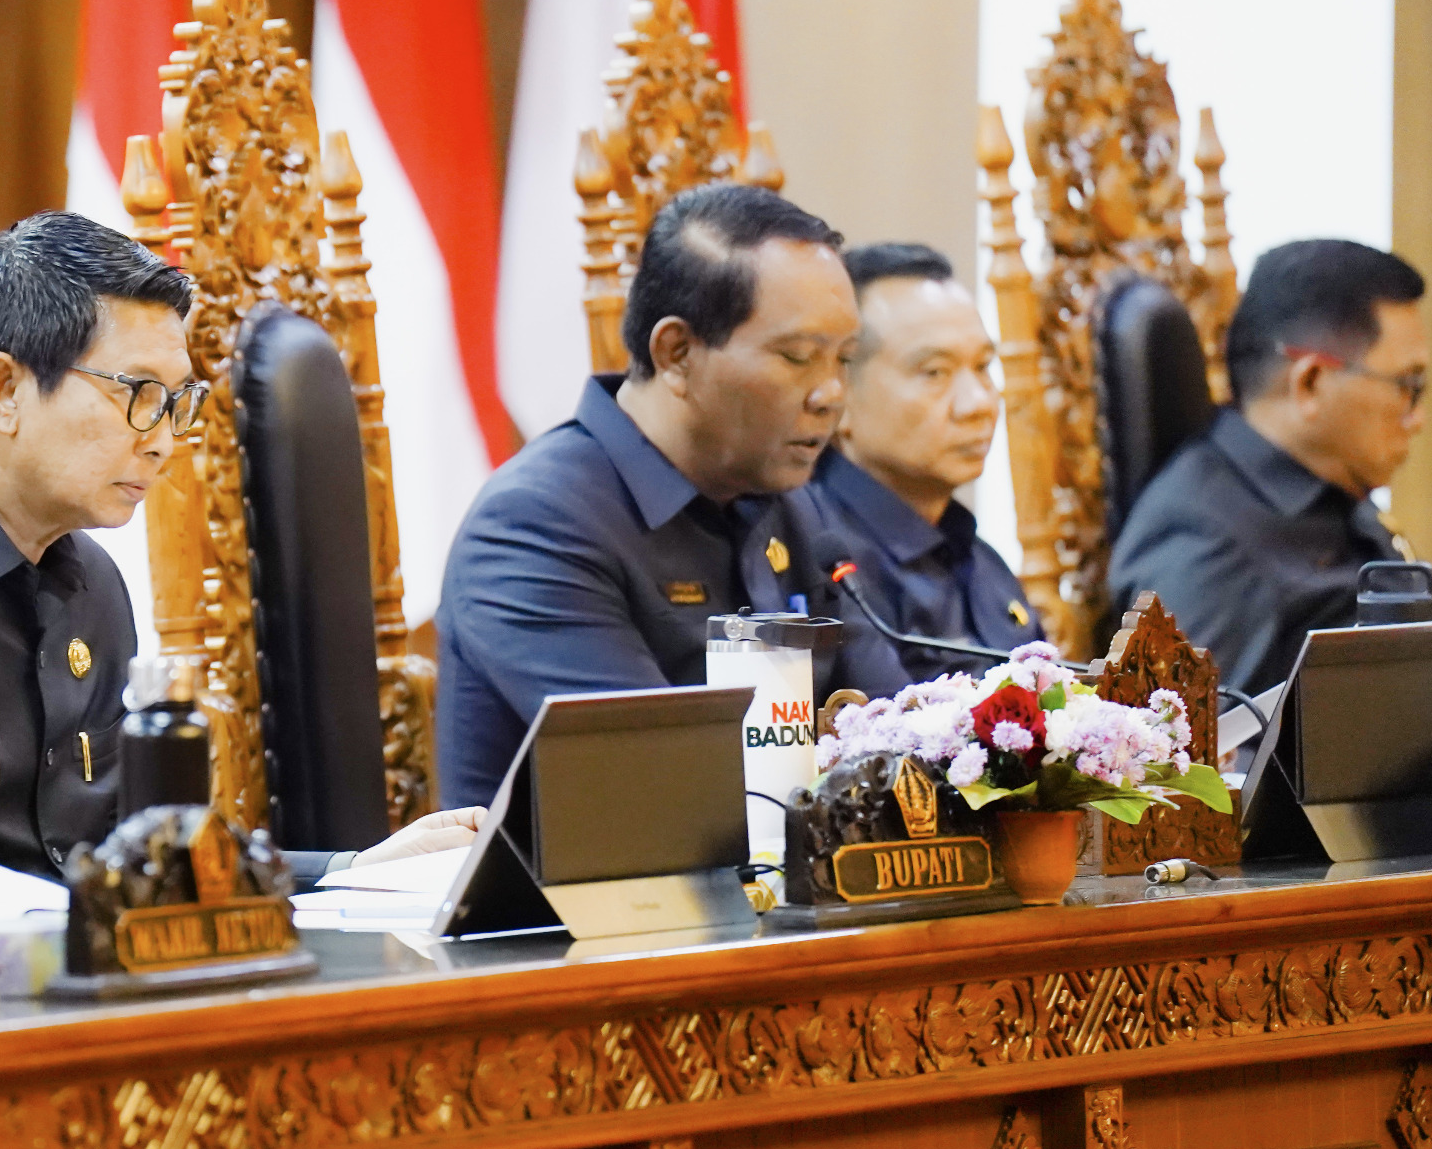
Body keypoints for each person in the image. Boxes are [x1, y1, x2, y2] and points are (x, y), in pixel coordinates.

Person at [0, 210, 476, 880]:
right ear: (3, 391)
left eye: (178, 402)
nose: (163, 442)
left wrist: (361, 873)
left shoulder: (90, 583)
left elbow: (146, 868)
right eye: (138, 394)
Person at [436, 182, 907, 811]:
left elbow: (896, 740)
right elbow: (668, 790)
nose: (830, 394)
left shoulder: (792, 508)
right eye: (797, 357)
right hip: (578, 905)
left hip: (783, 890)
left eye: (843, 359)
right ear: (677, 353)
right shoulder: (533, 524)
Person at [1111, 239, 1430, 694]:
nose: (1417, 418)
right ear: (1311, 382)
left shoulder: (1328, 486)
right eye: (1408, 385)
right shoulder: (1206, 543)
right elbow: (1191, 756)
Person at [811, 242, 1043, 679]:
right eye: (935, 372)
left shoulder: (983, 561)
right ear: (841, 392)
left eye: (983, 367)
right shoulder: (825, 564)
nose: (978, 403)